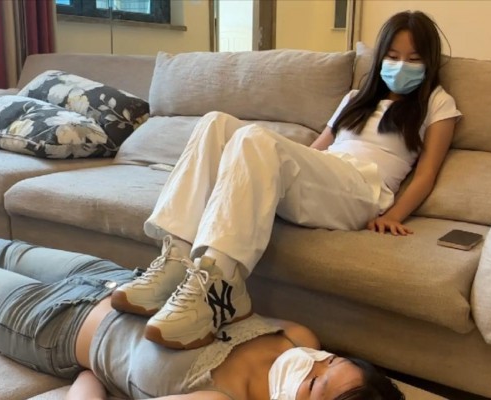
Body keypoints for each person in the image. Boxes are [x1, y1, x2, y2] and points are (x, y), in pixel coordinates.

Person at [112, 10, 462, 351]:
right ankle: (177, 260)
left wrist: (394, 216)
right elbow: (317, 149)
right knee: (216, 122)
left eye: (413, 59)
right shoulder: (355, 99)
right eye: (393, 56)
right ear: (380, 56)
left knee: (255, 138)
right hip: (326, 174)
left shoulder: (437, 102)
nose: (401, 66)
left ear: (429, 62)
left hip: (362, 191)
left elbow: (427, 173)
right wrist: (266, 162)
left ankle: (219, 290)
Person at [0, 184, 404, 400]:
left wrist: (93, 373)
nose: (313, 363)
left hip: (54, 325)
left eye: (316, 385)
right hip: (114, 280)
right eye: (332, 362)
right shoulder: (301, 339)